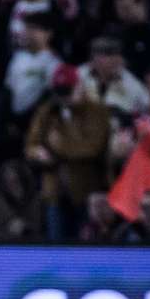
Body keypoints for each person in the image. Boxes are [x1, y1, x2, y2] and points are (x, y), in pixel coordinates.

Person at [25, 63, 111, 240]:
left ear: (80, 86)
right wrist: (38, 153)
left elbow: (92, 148)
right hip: (55, 192)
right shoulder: (48, 111)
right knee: (55, 246)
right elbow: (30, 146)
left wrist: (57, 147)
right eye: (60, 92)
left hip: (87, 191)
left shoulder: (96, 111)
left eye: (68, 92)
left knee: (86, 247)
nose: (64, 98)